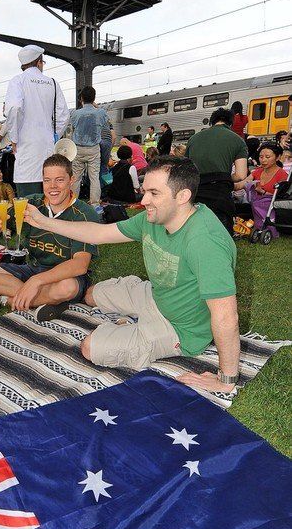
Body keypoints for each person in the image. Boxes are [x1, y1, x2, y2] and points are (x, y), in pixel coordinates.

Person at [23, 156, 241, 401]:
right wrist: (45, 222)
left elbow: (226, 316)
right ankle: (131, 322)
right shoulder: (156, 217)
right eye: (144, 191)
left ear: (182, 197)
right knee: (92, 294)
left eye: (154, 193)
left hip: (180, 328)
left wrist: (227, 379)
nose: (143, 200)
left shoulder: (205, 242)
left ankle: (130, 327)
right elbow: (100, 233)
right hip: (157, 295)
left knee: (90, 347)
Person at [0, 154, 99, 320]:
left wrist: (36, 281)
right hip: (33, 269)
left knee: (67, 288)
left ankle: (12, 299)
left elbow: (80, 265)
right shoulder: (31, 204)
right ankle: (44, 301)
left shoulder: (85, 214)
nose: (53, 186)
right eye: (47, 180)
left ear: (71, 180)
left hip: (64, 276)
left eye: (59, 180)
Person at [2, 44, 69, 197]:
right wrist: (53, 135)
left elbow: (14, 109)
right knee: (50, 196)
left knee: (29, 201)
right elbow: (63, 115)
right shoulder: (52, 83)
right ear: (39, 62)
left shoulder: (17, 81)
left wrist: (14, 138)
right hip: (47, 147)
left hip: (26, 147)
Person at [186, 107, 248, 235]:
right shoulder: (237, 140)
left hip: (195, 188)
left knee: (196, 227)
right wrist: (224, 177)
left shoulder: (193, 139)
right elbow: (241, 175)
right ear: (231, 123)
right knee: (221, 231)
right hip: (220, 191)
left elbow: (186, 167)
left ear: (212, 121)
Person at [234, 142, 288, 236]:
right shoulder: (257, 172)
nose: (263, 160)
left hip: (271, 209)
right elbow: (244, 182)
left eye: (267, 157)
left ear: (278, 157)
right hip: (255, 205)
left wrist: (263, 192)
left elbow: (282, 197)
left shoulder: (282, 174)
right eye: (261, 157)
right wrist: (230, 185)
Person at [69, 87, 109, 204]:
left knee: (76, 178)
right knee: (94, 177)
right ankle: (95, 203)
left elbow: (73, 126)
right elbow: (104, 120)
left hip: (78, 150)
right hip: (94, 149)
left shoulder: (75, 114)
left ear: (81, 98)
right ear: (94, 98)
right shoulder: (101, 113)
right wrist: (94, 105)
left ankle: (73, 203)